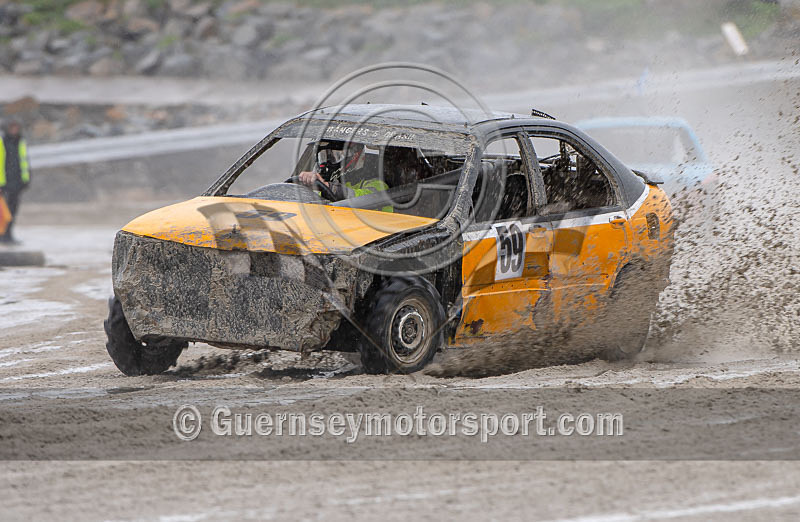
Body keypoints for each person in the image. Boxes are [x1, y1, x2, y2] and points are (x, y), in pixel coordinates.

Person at [298, 141, 390, 205]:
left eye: (335, 156)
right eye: (323, 156)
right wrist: (306, 187)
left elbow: (360, 198)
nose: (327, 163)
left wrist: (329, 187)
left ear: (354, 157)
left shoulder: (378, 186)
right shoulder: (322, 184)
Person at [0, 119, 30, 243]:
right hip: (4, 183)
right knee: (3, 212)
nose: (14, 130)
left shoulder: (20, 142)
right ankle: (3, 234)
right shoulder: (3, 142)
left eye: (16, 127)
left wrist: (26, 180)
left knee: (13, 211)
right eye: (12, 127)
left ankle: (8, 234)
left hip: (16, 183)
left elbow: (24, 162)